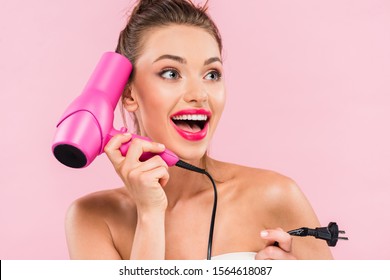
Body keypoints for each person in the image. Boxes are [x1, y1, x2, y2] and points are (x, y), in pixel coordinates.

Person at [65, 0, 333, 260]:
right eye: (171, 73)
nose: (199, 94)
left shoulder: (276, 195)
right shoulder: (92, 220)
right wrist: (150, 214)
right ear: (129, 94)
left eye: (211, 74)